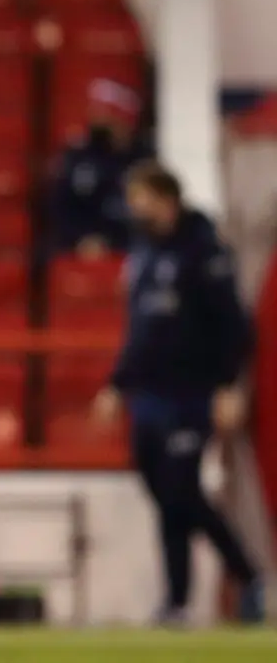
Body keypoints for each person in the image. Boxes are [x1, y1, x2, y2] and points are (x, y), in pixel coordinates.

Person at [92, 161, 265, 625]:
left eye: (141, 199)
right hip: (148, 395)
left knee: (180, 491)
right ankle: (233, 580)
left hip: (192, 392)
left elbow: (234, 326)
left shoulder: (204, 251)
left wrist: (228, 385)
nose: (134, 209)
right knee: (169, 495)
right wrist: (116, 384)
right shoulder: (144, 253)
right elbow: (140, 331)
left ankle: (192, 595)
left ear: (165, 198)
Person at [51, 78, 152, 257]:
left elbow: (150, 213)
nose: (94, 116)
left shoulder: (144, 159)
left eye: (104, 112)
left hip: (132, 247)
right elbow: (61, 206)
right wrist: (81, 239)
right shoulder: (79, 155)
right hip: (83, 247)